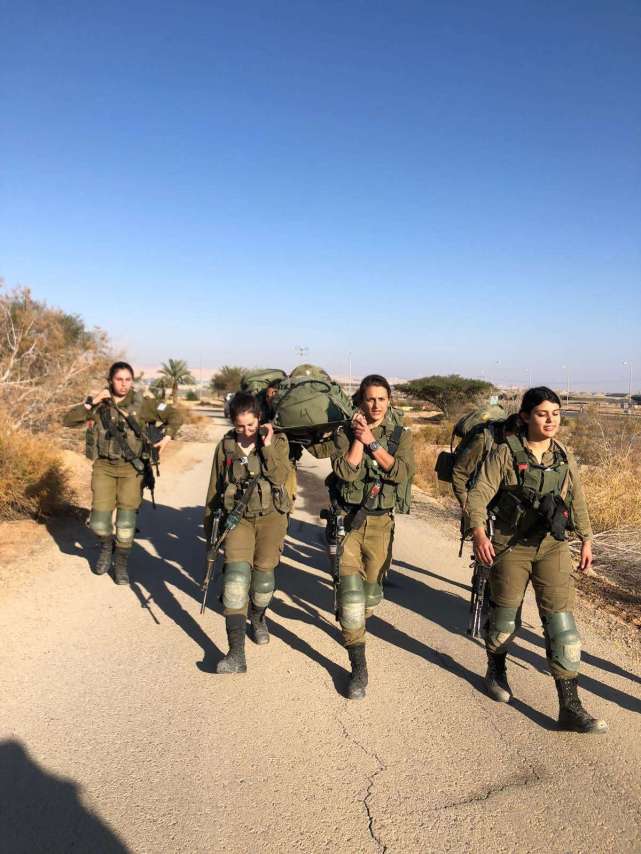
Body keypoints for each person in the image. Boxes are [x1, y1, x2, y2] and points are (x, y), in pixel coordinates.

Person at [466, 387, 607, 733]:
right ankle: (496, 669)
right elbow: (478, 495)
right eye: (543, 414)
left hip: (551, 547)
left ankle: (569, 706)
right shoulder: (504, 453)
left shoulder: (562, 455)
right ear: (526, 416)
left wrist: (586, 539)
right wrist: (480, 534)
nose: (550, 420)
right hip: (510, 546)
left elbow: (576, 498)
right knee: (504, 622)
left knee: (563, 628)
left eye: (556, 414)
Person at [329, 374, 415, 699]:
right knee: (352, 600)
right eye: (370, 399)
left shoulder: (401, 435)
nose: (375, 405)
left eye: (381, 399)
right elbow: (346, 471)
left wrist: (373, 443)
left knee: (370, 597)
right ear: (361, 402)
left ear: (389, 401)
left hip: (380, 525)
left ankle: (354, 623)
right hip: (349, 522)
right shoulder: (343, 433)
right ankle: (358, 667)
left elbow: (402, 472)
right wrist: (358, 437)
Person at [63, 361, 183, 584]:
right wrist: (93, 401)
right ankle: (106, 547)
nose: (124, 384)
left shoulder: (143, 404)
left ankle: (121, 563)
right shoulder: (99, 404)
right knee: (99, 523)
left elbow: (175, 416)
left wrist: (167, 438)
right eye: (119, 379)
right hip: (104, 467)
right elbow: (68, 420)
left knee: (126, 526)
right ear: (110, 380)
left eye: (128, 379)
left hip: (131, 469)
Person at [204, 391, 291, 674]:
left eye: (251, 425)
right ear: (233, 422)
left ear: (259, 418)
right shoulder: (226, 446)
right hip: (237, 520)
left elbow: (280, 476)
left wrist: (266, 446)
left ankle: (258, 616)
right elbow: (214, 490)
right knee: (235, 582)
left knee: (263, 583)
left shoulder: (278, 441)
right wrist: (210, 534)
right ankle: (236, 654)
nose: (246, 431)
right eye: (240, 426)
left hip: (271, 519)